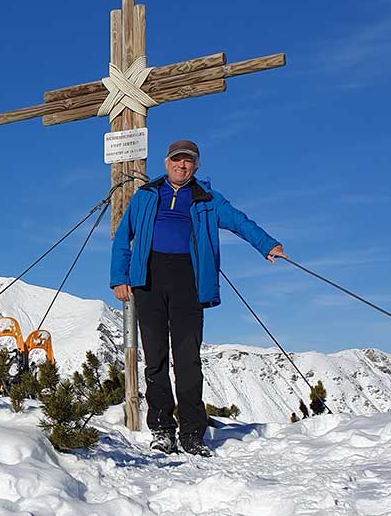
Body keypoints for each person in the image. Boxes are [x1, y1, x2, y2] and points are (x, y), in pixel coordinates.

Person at [109, 139, 285, 457]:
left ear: (196, 166)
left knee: (188, 360)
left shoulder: (207, 199)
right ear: (166, 163)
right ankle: (162, 429)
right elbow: (124, 236)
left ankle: (192, 433)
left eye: (188, 161)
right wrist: (119, 277)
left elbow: (239, 221)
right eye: (177, 160)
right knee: (156, 359)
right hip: (148, 280)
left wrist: (267, 245)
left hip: (188, 280)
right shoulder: (146, 195)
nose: (182, 165)